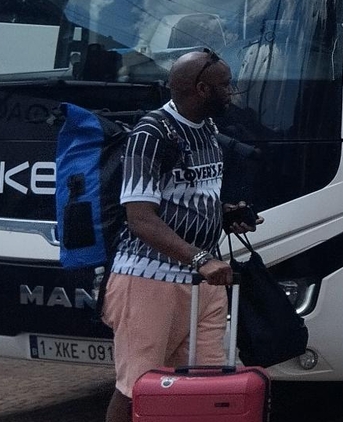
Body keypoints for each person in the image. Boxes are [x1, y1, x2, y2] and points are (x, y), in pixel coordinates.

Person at [104, 49, 259, 422]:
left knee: (205, 386)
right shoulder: (151, 133)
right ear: (202, 89)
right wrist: (200, 258)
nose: (232, 92)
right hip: (149, 280)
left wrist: (223, 215)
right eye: (225, 86)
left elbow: (186, 198)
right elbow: (140, 218)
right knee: (137, 388)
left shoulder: (207, 128)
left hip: (203, 282)